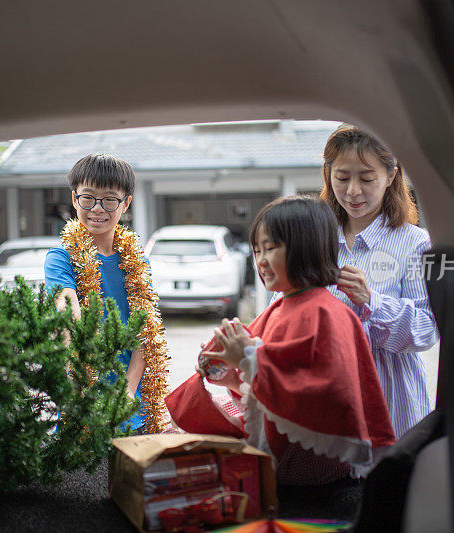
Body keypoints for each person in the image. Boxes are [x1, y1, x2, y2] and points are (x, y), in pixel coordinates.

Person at [165, 196, 395, 485]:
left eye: (271, 248)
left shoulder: (328, 313)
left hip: (307, 467)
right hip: (282, 454)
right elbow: (276, 385)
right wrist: (232, 377)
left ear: (307, 249)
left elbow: (320, 392)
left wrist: (247, 355)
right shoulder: (281, 306)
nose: (261, 260)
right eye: (257, 250)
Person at [320, 123, 440, 438]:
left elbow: (427, 330)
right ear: (328, 175)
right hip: (325, 397)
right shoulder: (316, 240)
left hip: (391, 401)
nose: (353, 190)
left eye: (367, 178)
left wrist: (372, 301)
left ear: (391, 176)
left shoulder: (414, 243)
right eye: (342, 178)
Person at [44, 153, 169, 434]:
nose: (97, 208)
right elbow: (68, 314)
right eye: (88, 198)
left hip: (135, 407)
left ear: (125, 204)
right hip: (83, 405)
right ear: (75, 199)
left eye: (109, 199)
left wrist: (127, 392)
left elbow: (145, 333)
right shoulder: (60, 258)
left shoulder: (139, 263)